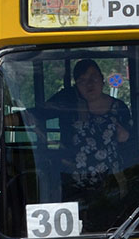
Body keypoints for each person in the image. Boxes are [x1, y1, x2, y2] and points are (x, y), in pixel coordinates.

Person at [50, 59, 132, 202]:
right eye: (82, 80)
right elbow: (37, 114)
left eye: (93, 77)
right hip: (73, 186)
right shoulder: (68, 109)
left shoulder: (119, 108)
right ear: (77, 86)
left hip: (112, 184)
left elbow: (137, 143)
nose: (89, 84)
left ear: (102, 79)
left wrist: (126, 136)